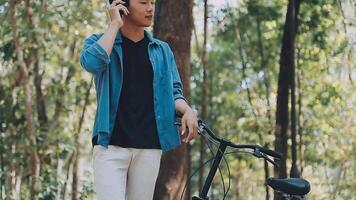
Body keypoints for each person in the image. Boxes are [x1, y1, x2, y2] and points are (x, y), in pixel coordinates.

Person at [79, 0, 199, 199]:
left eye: (152, 2)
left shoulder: (162, 50)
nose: (151, 8)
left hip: (149, 148)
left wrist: (187, 110)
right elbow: (92, 63)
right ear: (122, 6)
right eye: (143, 2)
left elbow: (174, 93)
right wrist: (114, 25)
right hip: (111, 147)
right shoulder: (101, 42)